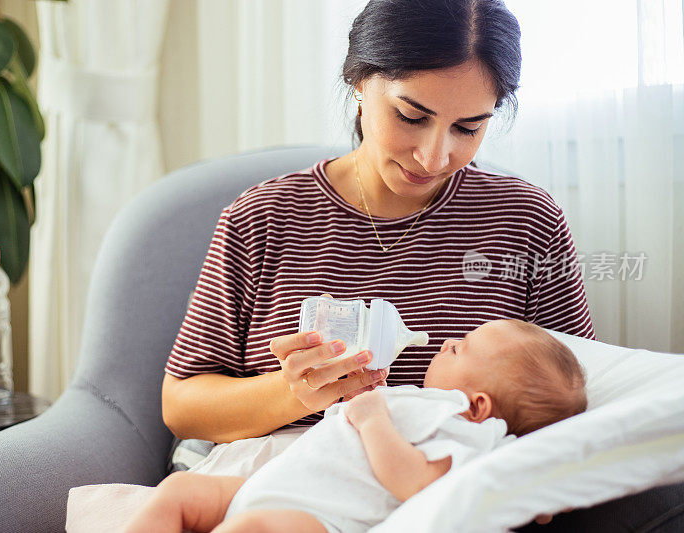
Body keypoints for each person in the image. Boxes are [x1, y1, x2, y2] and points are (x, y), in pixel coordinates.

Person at [159, 0, 683, 530]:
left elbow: (567, 394)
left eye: (469, 127)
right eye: (412, 117)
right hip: (276, 486)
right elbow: (183, 405)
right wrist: (290, 392)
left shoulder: (526, 222)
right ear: (360, 83)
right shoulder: (265, 219)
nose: (434, 158)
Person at [126, 319, 587, 532]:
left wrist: (372, 420)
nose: (447, 340)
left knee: (255, 529)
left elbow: (415, 481)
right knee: (178, 494)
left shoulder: (469, 433)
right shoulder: (427, 403)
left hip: (319, 519)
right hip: (271, 483)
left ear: (479, 404)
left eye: (460, 348)